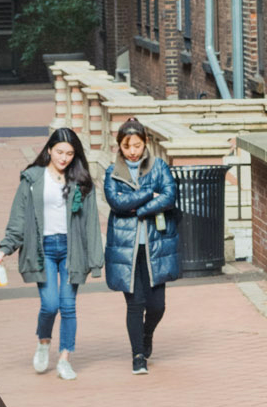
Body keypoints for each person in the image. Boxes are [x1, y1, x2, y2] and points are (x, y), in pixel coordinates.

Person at [0, 127, 103, 380]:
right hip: (43, 250)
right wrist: (4, 248)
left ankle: (65, 357)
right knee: (50, 304)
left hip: (72, 250)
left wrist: (95, 261)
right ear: (49, 150)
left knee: (68, 306)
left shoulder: (82, 182)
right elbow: (18, 219)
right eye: (60, 152)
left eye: (70, 154)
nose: (64, 158)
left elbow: (91, 225)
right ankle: (44, 342)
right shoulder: (32, 180)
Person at [103, 117, 179, 375]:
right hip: (127, 249)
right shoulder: (111, 172)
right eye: (127, 146)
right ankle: (138, 356)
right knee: (135, 303)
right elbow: (116, 203)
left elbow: (169, 197)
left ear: (145, 143)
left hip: (156, 246)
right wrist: (148, 195)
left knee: (157, 305)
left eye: (137, 145)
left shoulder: (159, 167)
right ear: (119, 146)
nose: (133, 151)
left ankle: (146, 336)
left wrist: (136, 207)